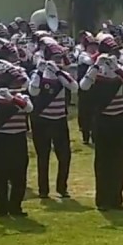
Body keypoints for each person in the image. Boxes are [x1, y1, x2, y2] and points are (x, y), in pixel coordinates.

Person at [79, 37, 123, 211]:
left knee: (119, 160)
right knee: (102, 161)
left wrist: (118, 70)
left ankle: (116, 199)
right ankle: (102, 200)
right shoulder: (95, 70)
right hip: (102, 121)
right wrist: (97, 65)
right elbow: (83, 87)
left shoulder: (121, 69)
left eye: (115, 52)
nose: (113, 55)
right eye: (110, 52)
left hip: (119, 120)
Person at [29, 45, 77, 199]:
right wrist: (40, 71)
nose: (58, 61)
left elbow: (73, 87)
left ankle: (62, 187)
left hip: (59, 120)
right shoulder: (38, 74)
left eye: (59, 58)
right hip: (42, 121)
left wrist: (58, 71)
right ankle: (43, 190)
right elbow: (33, 91)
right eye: (55, 58)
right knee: (43, 156)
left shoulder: (62, 74)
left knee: (64, 156)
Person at [0, 66, 34, 218]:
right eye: (15, 83)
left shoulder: (23, 97)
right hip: (0, 140)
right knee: (0, 176)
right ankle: (1, 209)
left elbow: (28, 108)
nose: (18, 86)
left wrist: (11, 98)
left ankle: (15, 207)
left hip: (18, 139)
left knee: (19, 176)